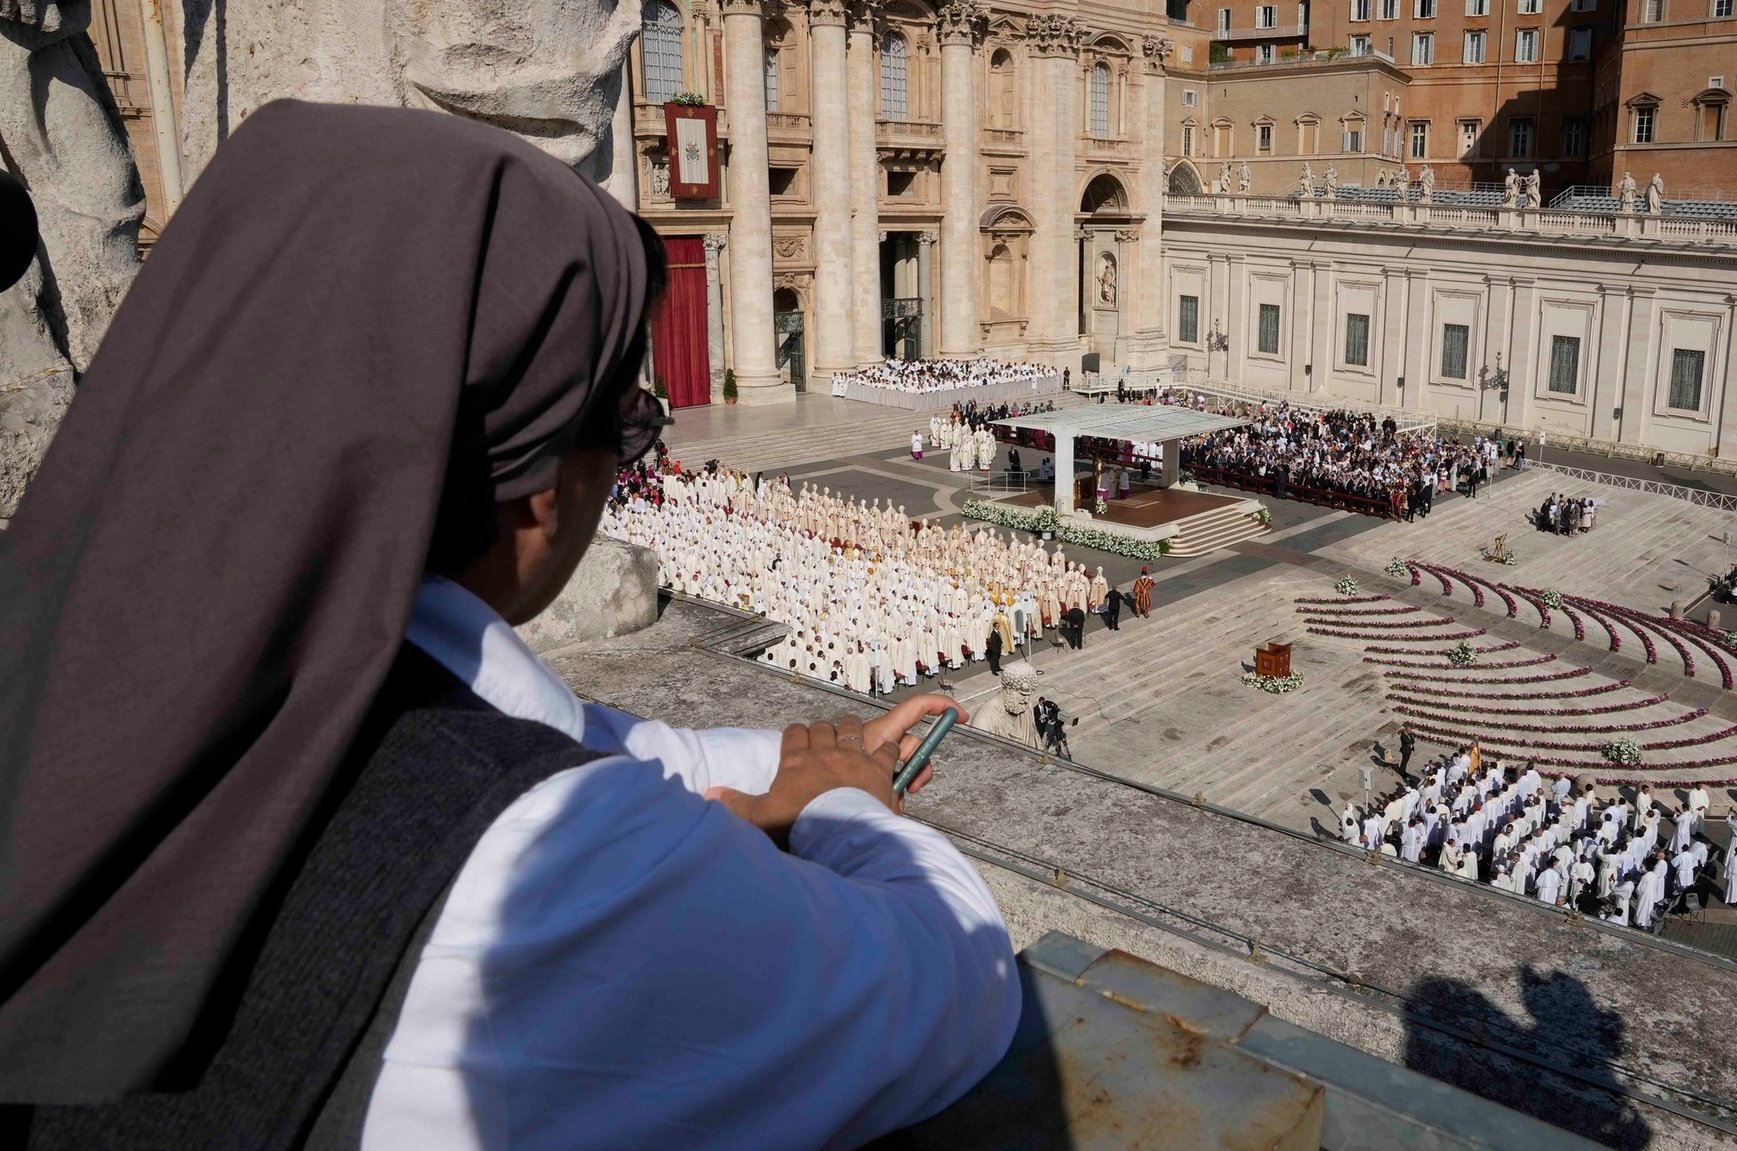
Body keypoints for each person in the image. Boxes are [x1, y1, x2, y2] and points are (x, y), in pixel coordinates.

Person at [0, 104, 1018, 1147]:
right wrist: (852, 811)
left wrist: (799, 759)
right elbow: (949, 979)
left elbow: (546, 738)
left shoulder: (85, 645)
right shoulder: (544, 862)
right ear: (534, 487)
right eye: (626, 424)